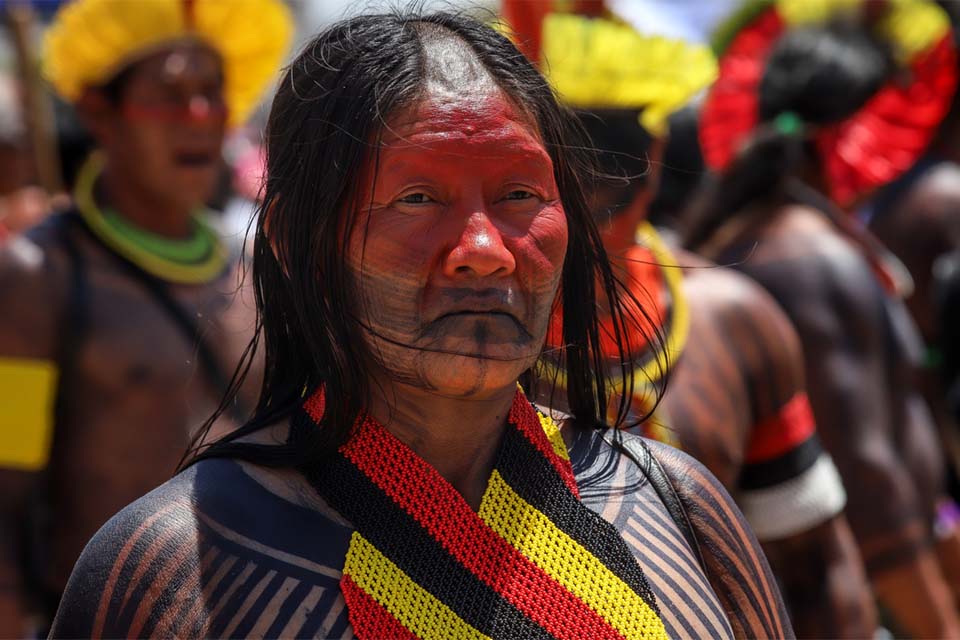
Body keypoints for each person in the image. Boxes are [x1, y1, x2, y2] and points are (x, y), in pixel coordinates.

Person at [49, 12, 792, 639]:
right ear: (296, 241)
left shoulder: (679, 508)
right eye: (416, 198)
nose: (483, 251)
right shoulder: (173, 573)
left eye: (519, 193)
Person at [516, 10, 873, 636]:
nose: (585, 235)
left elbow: (817, 573)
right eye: (550, 191)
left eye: (607, 197)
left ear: (653, 158)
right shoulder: (457, 347)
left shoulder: (734, 323)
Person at [0, 0, 291, 634]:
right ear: (98, 112)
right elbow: (5, 477)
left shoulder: (254, 265)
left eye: (213, 94)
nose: (198, 118)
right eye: (170, 94)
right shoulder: (37, 277)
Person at [683, 3, 960, 636]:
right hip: (855, 604)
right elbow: (872, 484)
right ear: (855, 130)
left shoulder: (757, 234)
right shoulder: (812, 256)